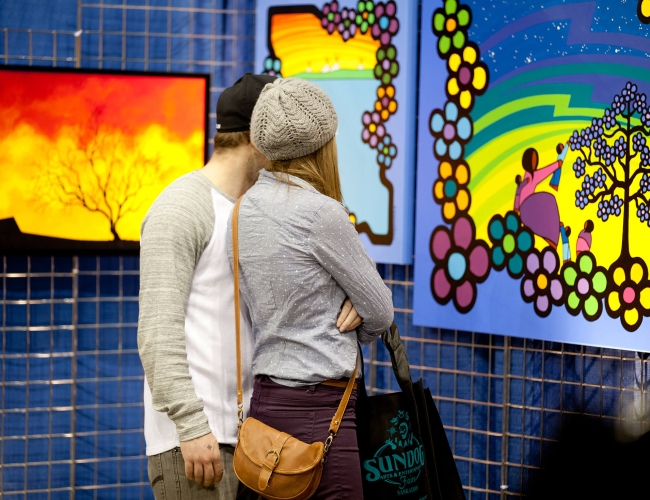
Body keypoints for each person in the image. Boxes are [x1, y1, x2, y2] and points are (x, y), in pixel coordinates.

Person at [228, 78, 394, 499]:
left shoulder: (243, 209)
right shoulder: (322, 213)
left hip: (264, 410)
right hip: (325, 415)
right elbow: (381, 311)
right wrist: (355, 313)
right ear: (323, 142)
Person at [518, 145, 565, 248]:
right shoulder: (530, 176)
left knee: (543, 217)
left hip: (527, 209)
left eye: (535, 159)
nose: (535, 162)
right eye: (532, 159)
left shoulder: (528, 175)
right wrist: (557, 164)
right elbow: (544, 172)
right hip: (527, 208)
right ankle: (553, 234)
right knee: (550, 200)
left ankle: (552, 237)